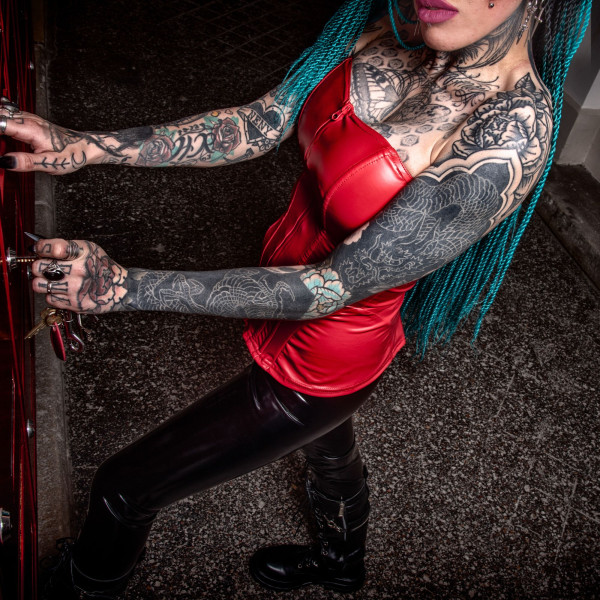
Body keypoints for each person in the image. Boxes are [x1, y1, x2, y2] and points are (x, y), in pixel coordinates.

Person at [0, 0, 591, 597]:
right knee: (329, 449)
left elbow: (326, 287)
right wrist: (88, 146)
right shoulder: (400, 29)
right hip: (273, 294)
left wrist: (127, 287)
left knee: (122, 489)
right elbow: (261, 123)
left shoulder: (509, 134)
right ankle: (342, 563)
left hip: (323, 358)